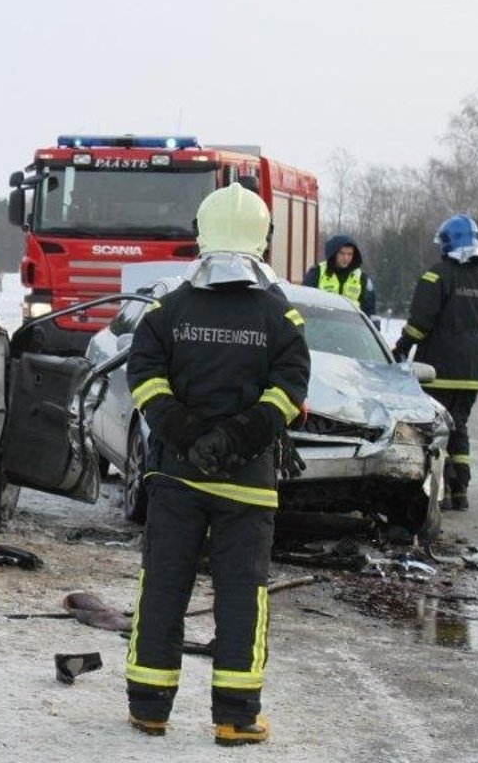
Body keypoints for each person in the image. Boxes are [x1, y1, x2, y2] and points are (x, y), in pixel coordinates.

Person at [124, 182, 310, 746]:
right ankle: (235, 716)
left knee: (164, 585)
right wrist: (236, 439)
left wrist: (184, 433)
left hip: (176, 478)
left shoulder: (168, 309)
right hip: (247, 485)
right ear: (262, 238)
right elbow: (288, 392)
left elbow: (144, 378)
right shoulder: (282, 317)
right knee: (240, 595)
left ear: (202, 235)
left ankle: (149, 708)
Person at [391, 214, 478, 510]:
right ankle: (460, 489)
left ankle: (433, 493)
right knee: (459, 425)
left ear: (448, 243)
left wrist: (401, 348)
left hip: (438, 368)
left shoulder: (436, 276)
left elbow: (419, 324)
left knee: (435, 428)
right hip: (474, 368)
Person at [302, 235, 377, 315]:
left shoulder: (361, 277)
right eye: (342, 253)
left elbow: (370, 310)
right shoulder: (317, 272)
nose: (346, 258)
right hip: (321, 322)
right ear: (333, 253)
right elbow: (304, 300)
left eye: (350, 254)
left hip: (351, 324)